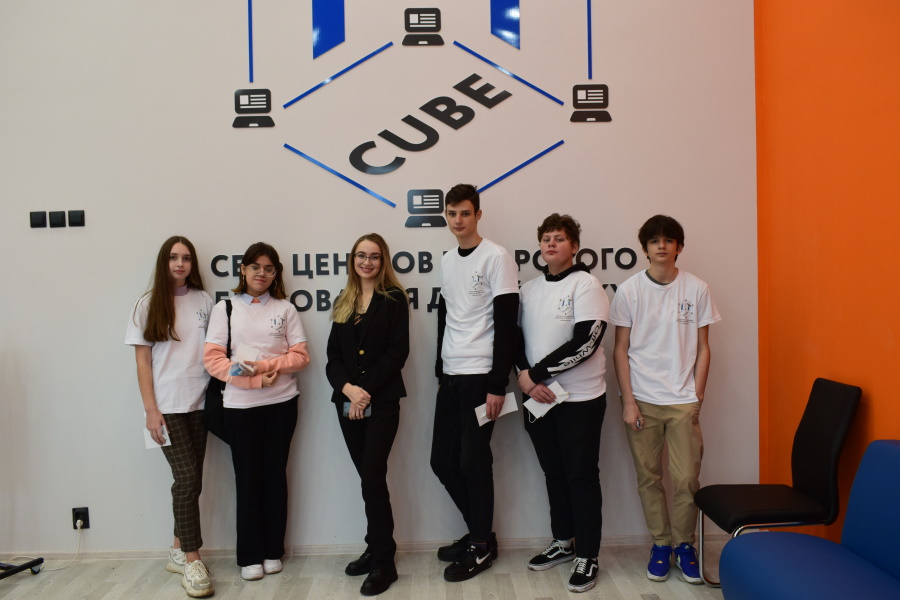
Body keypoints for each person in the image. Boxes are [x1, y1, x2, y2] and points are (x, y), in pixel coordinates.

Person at [609, 215, 721, 585]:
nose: (661, 245)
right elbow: (620, 349)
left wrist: (697, 394)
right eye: (654, 240)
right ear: (645, 248)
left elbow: (704, 347)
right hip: (641, 399)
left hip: (682, 400)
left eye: (668, 240)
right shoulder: (629, 290)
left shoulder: (697, 288)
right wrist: (628, 401)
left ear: (678, 247)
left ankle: (684, 545)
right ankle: (660, 545)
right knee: (649, 477)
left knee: (686, 478)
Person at [203, 242, 310, 581]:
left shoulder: (285, 309)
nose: (261, 274)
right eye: (255, 267)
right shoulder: (226, 308)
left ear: (275, 273)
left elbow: (301, 357)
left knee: (275, 476)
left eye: (268, 269)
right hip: (240, 407)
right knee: (248, 479)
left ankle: (272, 551)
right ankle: (250, 555)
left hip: (282, 404)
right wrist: (252, 380)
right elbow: (213, 361)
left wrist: (264, 366)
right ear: (243, 270)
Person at [430, 183, 519, 582]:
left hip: (482, 375)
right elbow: (445, 317)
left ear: (478, 215)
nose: (458, 220)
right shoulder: (448, 260)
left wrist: (498, 384)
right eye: (452, 213)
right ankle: (480, 534)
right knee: (442, 461)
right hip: (452, 374)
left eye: (465, 213)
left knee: (473, 461)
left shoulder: (496, 257)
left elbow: (507, 323)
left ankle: (480, 546)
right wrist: (440, 369)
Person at [516, 214, 609, 593]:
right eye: (546, 238)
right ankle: (563, 541)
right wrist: (525, 376)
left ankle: (588, 554)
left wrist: (535, 374)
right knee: (553, 473)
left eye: (559, 238)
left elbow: (587, 341)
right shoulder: (529, 289)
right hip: (539, 399)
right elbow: (515, 338)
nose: (551, 244)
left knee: (581, 476)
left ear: (574, 246)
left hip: (580, 399)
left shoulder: (587, 285)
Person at [125, 236, 215, 598]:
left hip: (201, 404)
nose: (180, 264)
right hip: (167, 407)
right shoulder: (147, 304)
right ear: (164, 262)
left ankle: (177, 549)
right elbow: (142, 361)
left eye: (186, 258)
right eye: (174, 257)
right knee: (187, 478)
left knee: (192, 482)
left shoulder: (204, 300)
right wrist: (151, 410)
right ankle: (193, 560)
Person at [326, 233, 410, 597]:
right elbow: (333, 357)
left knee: (373, 478)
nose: (367, 262)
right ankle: (375, 547)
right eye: (361, 255)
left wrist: (364, 391)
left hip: (383, 403)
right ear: (353, 260)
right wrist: (349, 389)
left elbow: (397, 354)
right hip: (347, 404)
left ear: (383, 261)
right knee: (367, 479)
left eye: (374, 256)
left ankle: (384, 563)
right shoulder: (344, 300)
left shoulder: (394, 299)